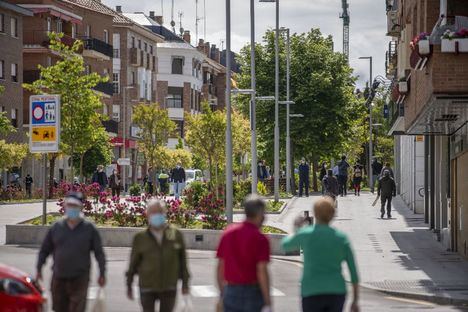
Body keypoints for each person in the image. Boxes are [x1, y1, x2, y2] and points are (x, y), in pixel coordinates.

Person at [281, 197, 360, 312]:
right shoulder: (341, 238)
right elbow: (353, 273)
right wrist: (355, 300)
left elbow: (285, 245)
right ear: (332, 215)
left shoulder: (306, 235)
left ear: (315, 214)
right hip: (336, 291)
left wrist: (296, 229)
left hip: (311, 290)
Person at [36, 192, 106, 312]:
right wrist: (39, 268)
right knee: (59, 308)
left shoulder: (89, 228)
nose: (71, 209)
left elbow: (99, 253)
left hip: (80, 279)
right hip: (59, 278)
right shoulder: (57, 227)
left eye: (75, 206)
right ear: (65, 207)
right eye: (69, 205)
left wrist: (102, 273)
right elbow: (44, 250)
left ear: (80, 207)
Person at [126, 199, 190, 312]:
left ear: (164, 213)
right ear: (148, 215)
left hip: (169, 286)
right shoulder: (140, 238)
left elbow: (183, 261)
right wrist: (129, 284)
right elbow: (133, 263)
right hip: (147, 287)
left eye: (160, 212)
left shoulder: (175, 235)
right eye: (153, 212)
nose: (157, 215)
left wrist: (185, 283)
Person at [216, 195, 272, 312]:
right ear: (260, 213)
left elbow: (220, 267)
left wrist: (223, 293)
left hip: (230, 291)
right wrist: (267, 301)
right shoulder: (261, 238)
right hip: (253, 294)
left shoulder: (228, 233)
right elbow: (261, 270)